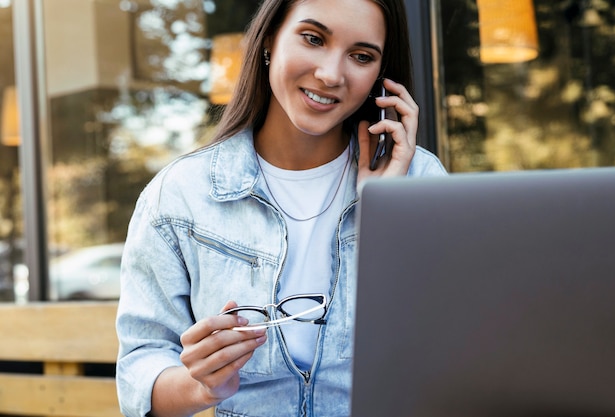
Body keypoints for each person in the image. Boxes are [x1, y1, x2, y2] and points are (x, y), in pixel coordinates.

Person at [115, 0, 447, 416]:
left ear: (380, 76)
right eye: (313, 39)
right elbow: (139, 372)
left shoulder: (418, 179)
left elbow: (448, 349)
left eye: (361, 56)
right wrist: (202, 386)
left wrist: (384, 212)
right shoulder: (180, 195)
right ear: (270, 38)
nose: (330, 74)